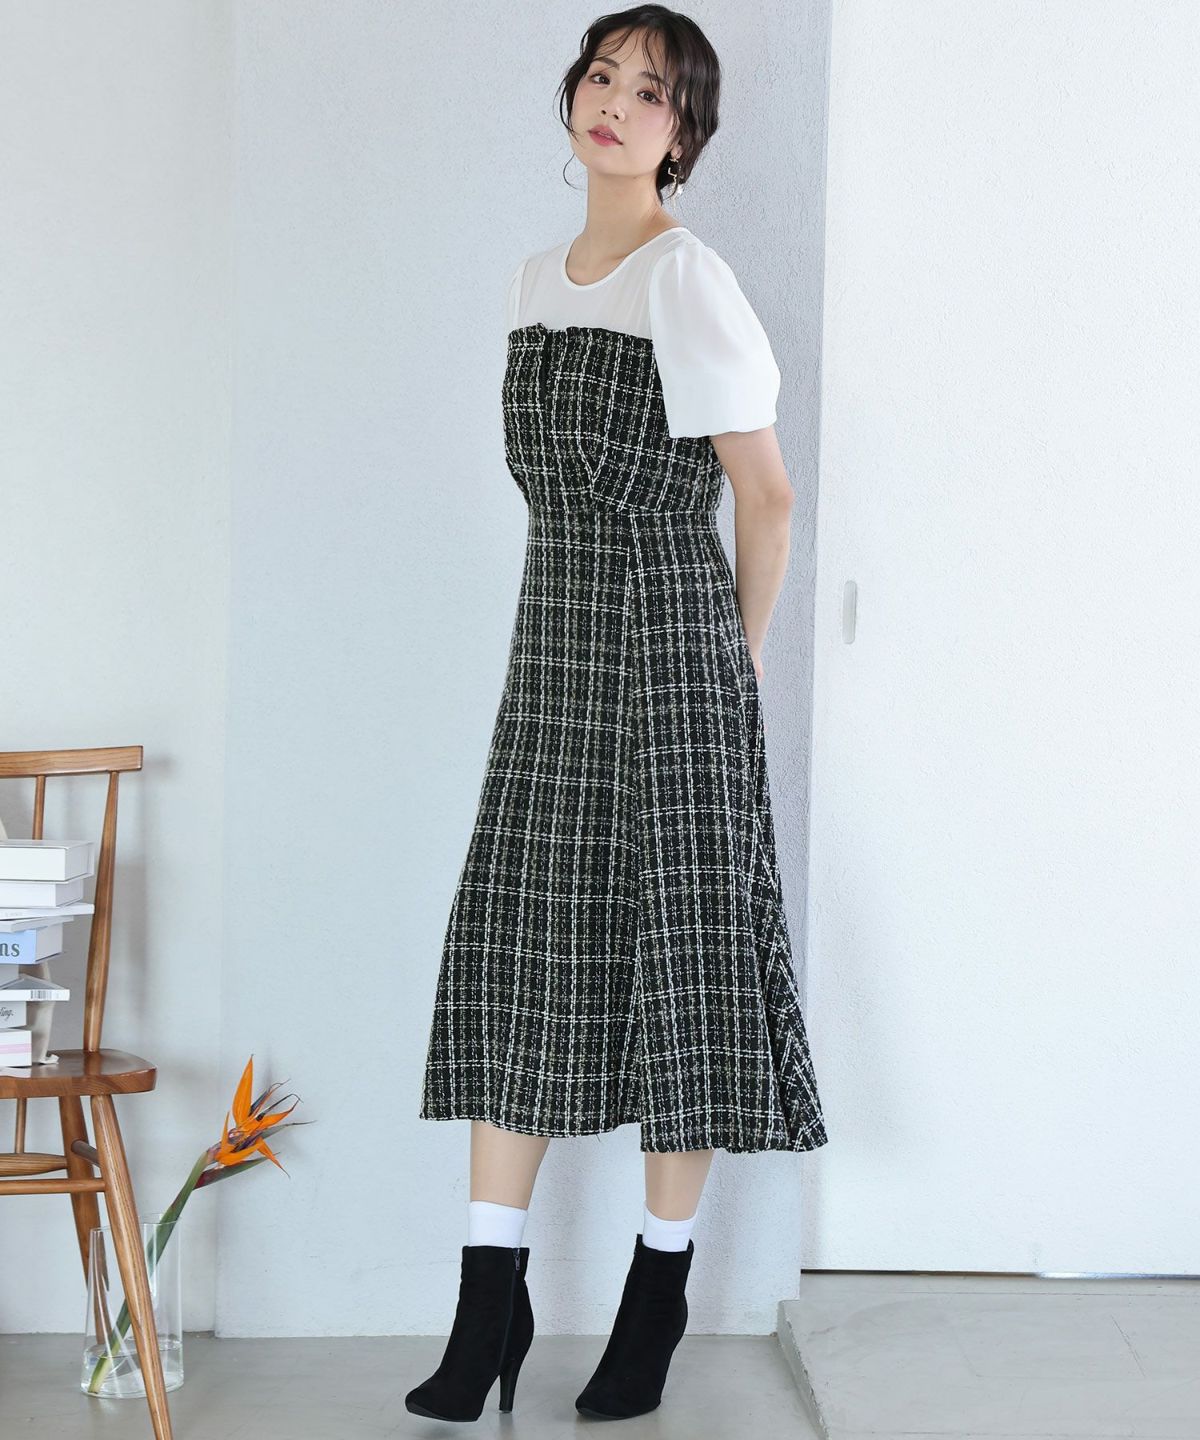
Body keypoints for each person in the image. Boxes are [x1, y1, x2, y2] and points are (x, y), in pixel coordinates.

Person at [407, 6, 828, 1424]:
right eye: (602, 77)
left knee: (680, 971)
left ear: (683, 134)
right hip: (554, 652)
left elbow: (766, 496)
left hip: (673, 653)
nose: (616, 104)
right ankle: (489, 1302)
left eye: (651, 92)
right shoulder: (536, 280)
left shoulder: (688, 279)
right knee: (522, 948)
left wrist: (734, 664)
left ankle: (658, 1296)